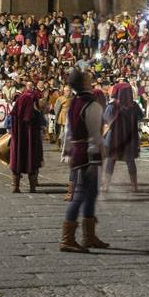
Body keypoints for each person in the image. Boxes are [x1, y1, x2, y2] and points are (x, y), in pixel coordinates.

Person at [60, 66, 108, 252]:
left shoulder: (74, 103)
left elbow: (70, 131)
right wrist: (100, 150)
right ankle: (68, 239)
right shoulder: (92, 104)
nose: (91, 79)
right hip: (89, 152)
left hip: (78, 150)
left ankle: (89, 236)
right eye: (88, 78)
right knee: (80, 194)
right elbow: (95, 133)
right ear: (84, 84)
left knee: (91, 193)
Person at [102, 80, 142, 193]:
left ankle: (106, 185)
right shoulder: (134, 106)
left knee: (111, 160)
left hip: (115, 138)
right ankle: (134, 186)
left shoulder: (112, 106)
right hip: (130, 138)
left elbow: (106, 119)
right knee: (130, 161)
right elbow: (140, 117)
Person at [8, 82, 44, 193]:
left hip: (18, 141)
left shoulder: (16, 110)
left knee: (17, 158)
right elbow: (40, 123)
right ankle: (32, 187)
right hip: (32, 141)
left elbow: (12, 126)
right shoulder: (35, 113)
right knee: (32, 159)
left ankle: (15, 186)